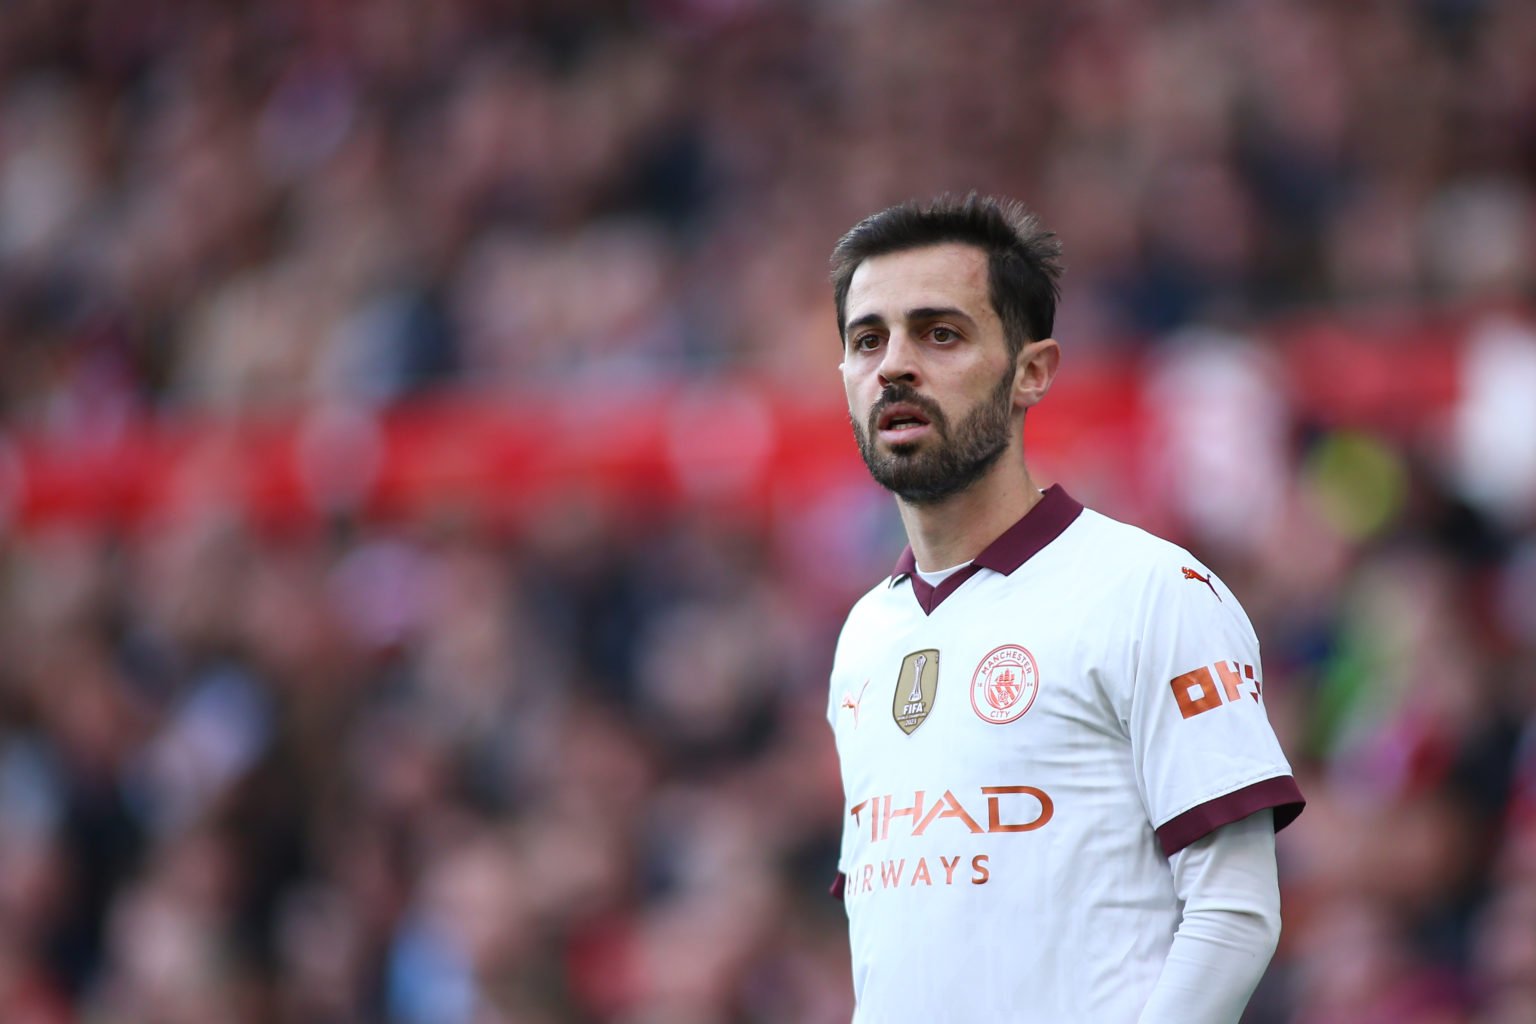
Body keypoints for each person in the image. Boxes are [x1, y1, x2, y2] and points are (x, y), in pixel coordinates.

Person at [824, 194, 1304, 1023]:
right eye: (869, 339)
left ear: (1032, 371)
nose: (894, 365)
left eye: (940, 333)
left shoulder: (1151, 592)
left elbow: (1234, 912)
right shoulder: (865, 636)